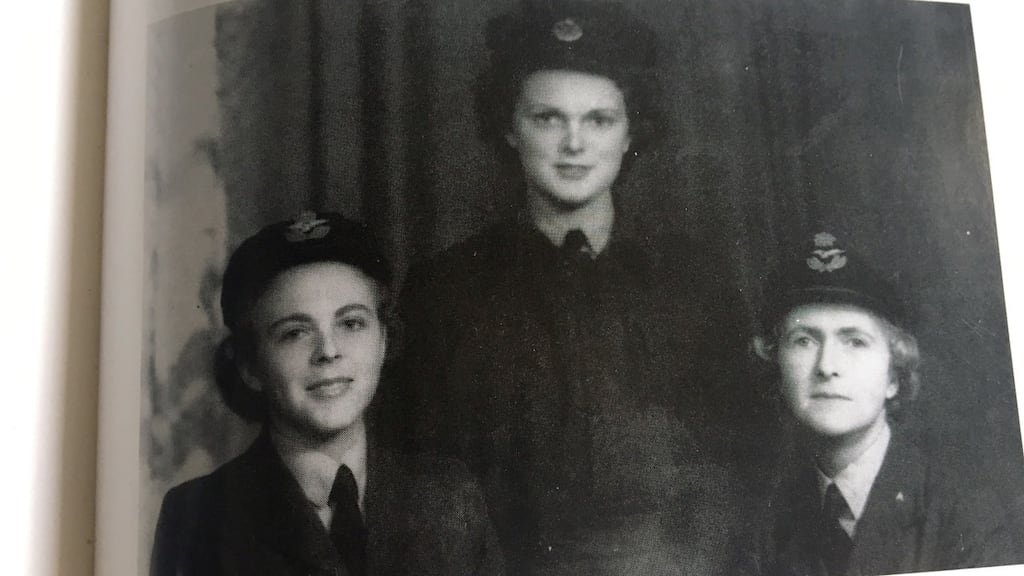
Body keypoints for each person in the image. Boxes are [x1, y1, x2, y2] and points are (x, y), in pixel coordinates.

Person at [387, 2, 750, 574]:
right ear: (509, 128)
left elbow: (739, 472)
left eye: (600, 120)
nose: (574, 144)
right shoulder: (446, 290)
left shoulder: (697, 284)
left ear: (631, 132)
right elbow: (425, 485)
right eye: (548, 118)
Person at [151, 211, 504, 576]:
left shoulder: (448, 498)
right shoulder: (200, 518)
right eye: (295, 333)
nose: (329, 351)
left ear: (383, 341)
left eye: (351, 323)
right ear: (250, 365)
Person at [742, 231, 1022, 576]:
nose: (827, 366)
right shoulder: (765, 518)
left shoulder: (962, 511)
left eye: (855, 342)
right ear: (777, 364)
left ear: (893, 374)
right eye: (804, 340)